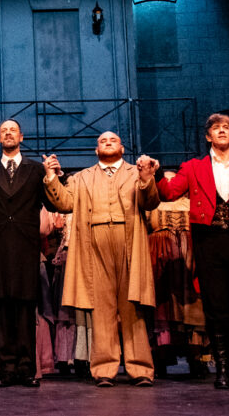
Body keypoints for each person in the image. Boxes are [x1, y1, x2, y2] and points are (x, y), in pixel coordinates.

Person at [156, 113, 229, 390]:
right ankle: (222, 369)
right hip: (208, 242)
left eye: (226, 128)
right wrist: (157, 174)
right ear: (208, 136)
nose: (222, 131)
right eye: (216, 128)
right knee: (216, 306)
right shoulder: (193, 167)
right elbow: (169, 193)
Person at [42, 131, 160, 387]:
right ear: (96, 150)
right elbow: (64, 203)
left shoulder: (135, 173)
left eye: (113, 140)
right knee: (102, 309)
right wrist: (51, 177)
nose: (107, 142)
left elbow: (150, 202)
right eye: (102, 141)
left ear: (123, 148)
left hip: (129, 242)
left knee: (132, 307)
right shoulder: (82, 177)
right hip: (94, 244)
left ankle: (140, 368)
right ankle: (104, 369)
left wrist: (147, 178)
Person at [0, 119, 52, 387]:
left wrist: (52, 176)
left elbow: (52, 203)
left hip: (26, 246)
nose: (7, 133)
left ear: (21, 137)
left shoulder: (36, 169)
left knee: (26, 307)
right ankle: (6, 368)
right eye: (3, 131)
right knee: (2, 308)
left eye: (12, 130)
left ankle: (27, 368)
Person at [145, 171, 210, 379]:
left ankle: (196, 358)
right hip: (159, 259)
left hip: (189, 260)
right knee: (162, 309)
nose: (171, 183)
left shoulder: (192, 203)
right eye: (167, 179)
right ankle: (160, 359)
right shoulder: (152, 204)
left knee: (192, 309)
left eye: (175, 180)